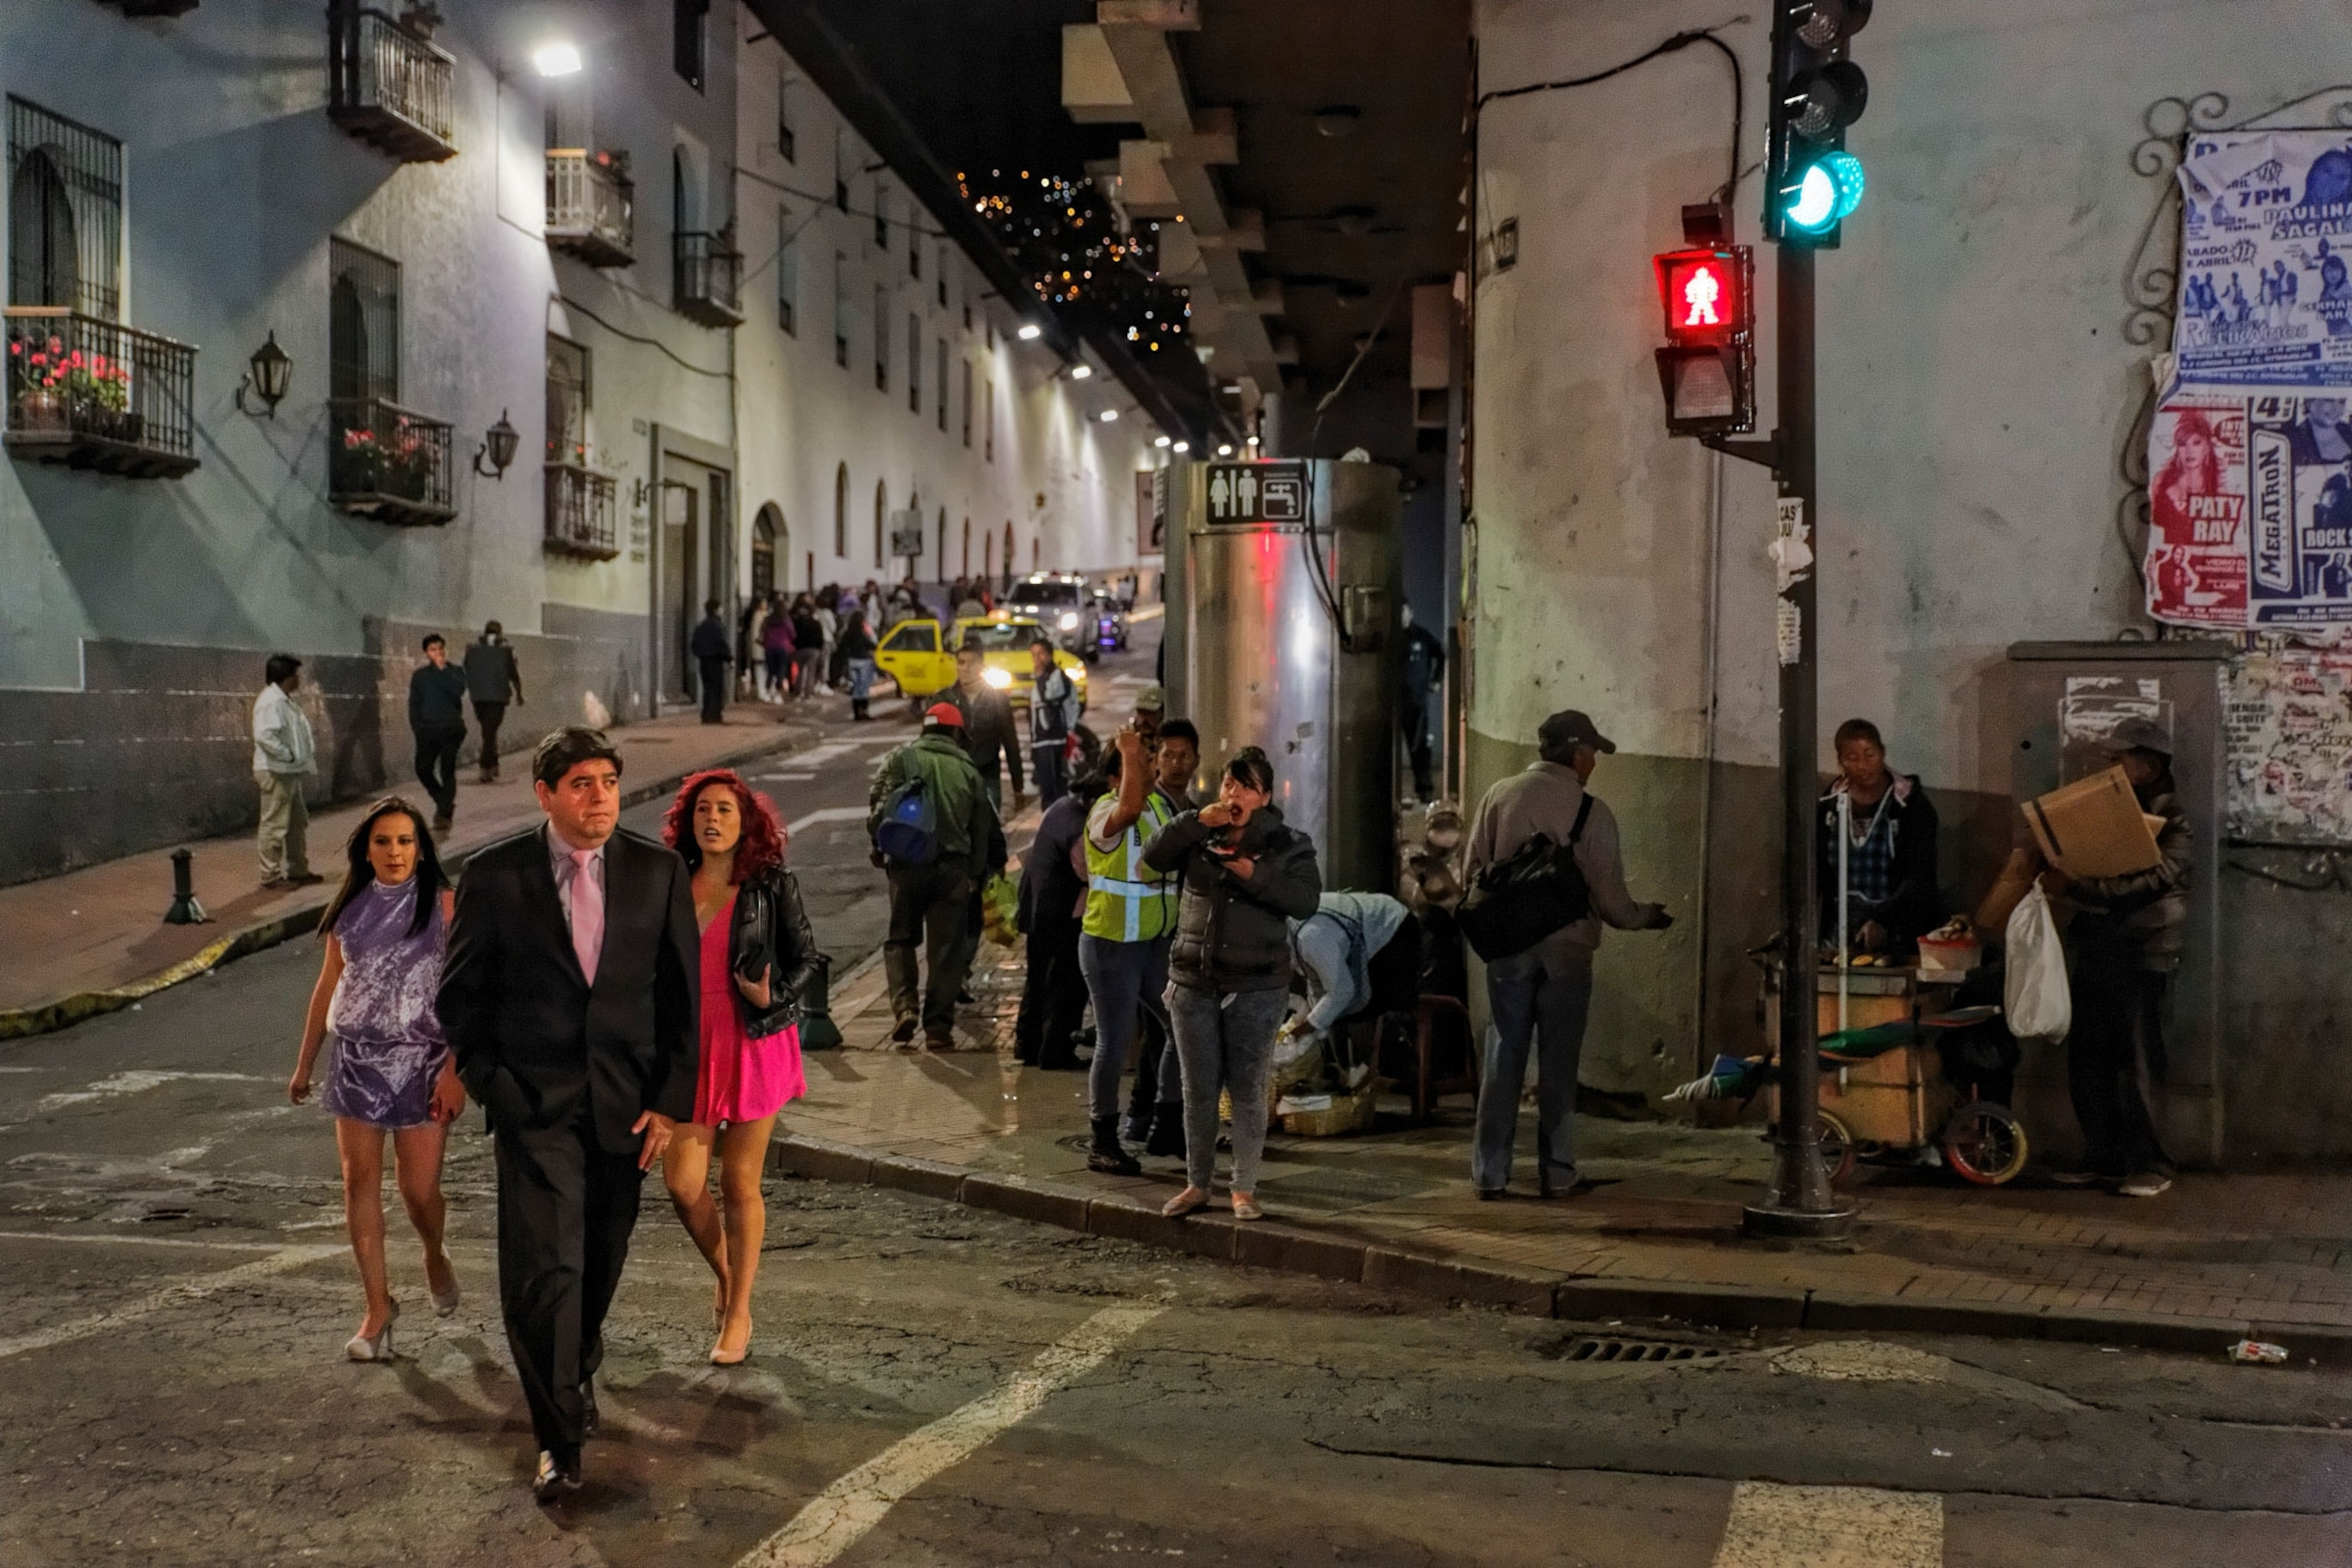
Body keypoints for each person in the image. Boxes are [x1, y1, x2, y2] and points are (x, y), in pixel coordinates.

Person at [437, 727, 701, 1501]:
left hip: (626, 1107)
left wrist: (668, 1103)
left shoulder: (657, 872)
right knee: (548, 1268)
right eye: (581, 783)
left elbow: (681, 999)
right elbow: (459, 998)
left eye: (608, 782)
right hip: (534, 1107)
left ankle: (576, 1363)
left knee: (600, 1258)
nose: (599, 798)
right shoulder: (496, 876)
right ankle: (558, 1441)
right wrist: (495, 1086)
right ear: (545, 794)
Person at [1462, 710, 1671, 1200]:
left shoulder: (1498, 795)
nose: (1593, 763)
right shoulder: (1592, 812)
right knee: (1559, 1064)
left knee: (1503, 1057)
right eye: (1592, 753)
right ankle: (1557, 1174)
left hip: (1508, 950)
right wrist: (1647, 916)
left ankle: (1490, 1174)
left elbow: (1472, 873)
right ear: (1577, 754)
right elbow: (1613, 904)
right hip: (1568, 954)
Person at [288, 797, 466, 1363]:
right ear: (366, 850)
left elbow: (467, 991)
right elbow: (328, 985)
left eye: (405, 841)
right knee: (357, 1182)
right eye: (383, 842)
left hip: (423, 1061)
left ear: (422, 849)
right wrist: (306, 1062)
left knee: (418, 1192)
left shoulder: (444, 905)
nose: (395, 852)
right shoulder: (351, 908)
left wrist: (455, 1070)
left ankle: (434, 1253)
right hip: (356, 1060)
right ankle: (377, 1308)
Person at [658, 769, 818, 1364]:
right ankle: (727, 1272)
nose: (713, 819)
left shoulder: (769, 885)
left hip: (753, 1041)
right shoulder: (671, 882)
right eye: (703, 809)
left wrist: (773, 997)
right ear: (688, 820)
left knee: (738, 1182)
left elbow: (806, 958)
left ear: (745, 820)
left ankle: (740, 1311)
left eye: (724, 809)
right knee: (683, 1185)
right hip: (688, 1047)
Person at [1143, 746, 1322, 1218]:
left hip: (1257, 986)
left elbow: (1305, 901)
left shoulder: (1288, 844)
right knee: (1198, 1089)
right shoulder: (1199, 833)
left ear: (1264, 796)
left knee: (1247, 1090)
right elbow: (1153, 856)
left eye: (1245, 787)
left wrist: (1254, 876)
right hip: (1193, 980)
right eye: (1228, 784)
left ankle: (1243, 1189)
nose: (1233, 794)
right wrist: (1193, 822)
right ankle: (1198, 1185)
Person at [2040, 717, 2188, 1199]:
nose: (2111, 768)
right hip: (2098, 945)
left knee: (2140, 1059)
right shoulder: (2106, 812)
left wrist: (2076, 886)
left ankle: (2152, 1162)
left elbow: (2146, 884)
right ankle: (2103, 1155)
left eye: (2120, 759)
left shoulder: (2175, 822)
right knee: (2089, 1055)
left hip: (2146, 951)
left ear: (2149, 767)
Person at [1077, 726, 1184, 1173]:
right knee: (1114, 1040)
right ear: (1114, 779)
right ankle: (1103, 1140)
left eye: (1148, 762)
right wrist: (1126, 750)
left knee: (1183, 1028)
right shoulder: (1107, 811)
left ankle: (1168, 1125)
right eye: (1139, 766)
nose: (1149, 770)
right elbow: (1129, 807)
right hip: (1111, 945)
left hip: (1152, 943)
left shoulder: (1159, 806)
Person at [868, 704, 1005, 1048]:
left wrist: (879, 846)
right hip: (953, 871)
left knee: (901, 940)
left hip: (907, 866)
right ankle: (938, 1030)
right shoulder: (968, 771)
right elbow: (981, 828)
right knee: (946, 952)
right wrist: (975, 874)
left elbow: (878, 808)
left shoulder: (901, 759)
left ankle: (905, 1007)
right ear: (956, 733)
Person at [1121, 717, 1204, 1151]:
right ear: (1155, 760)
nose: (1176, 763)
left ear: (1196, 761)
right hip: (1149, 934)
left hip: (1173, 932)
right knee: (1166, 1031)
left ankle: (1146, 1118)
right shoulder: (1150, 807)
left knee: (1163, 1031)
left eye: (1184, 756)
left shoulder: (1192, 809)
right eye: (1168, 755)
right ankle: (1153, 1121)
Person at [1818, 718, 1942, 954]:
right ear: (1840, 761)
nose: (1862, 765)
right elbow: (1817, 872)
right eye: (1852, 758)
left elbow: (1920, 876)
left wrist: (1884, 921)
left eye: (1870, 755)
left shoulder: (1910, 805)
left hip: (1899, 936)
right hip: (1839, 936)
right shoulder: (1829, 806)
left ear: (1883, 753)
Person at [1014, 767, 1099, 1071]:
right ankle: (1056, 1051)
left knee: (1038, 981)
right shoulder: (1080, 831)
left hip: (1037, 908)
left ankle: (1027, 1045)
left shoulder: (1060, 807)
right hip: (1063, 915)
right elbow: (1091, 874)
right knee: (1066, 986)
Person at [253, 655, 322, 888]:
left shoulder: (284, 701)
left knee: (295, 822)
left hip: (287, 771)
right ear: (285, 676)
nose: (299, 679)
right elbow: (265, 736)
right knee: (274, 824)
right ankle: (270, 876)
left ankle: (298, 870)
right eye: (295, 674)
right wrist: (288, 755)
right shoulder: (271, 702)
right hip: (276, 772)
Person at [946, 639, 1026, 815]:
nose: (965, 668)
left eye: (971, 663)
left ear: (981, 667)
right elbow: (932, 742)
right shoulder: (947, 699)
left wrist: (1018, 786)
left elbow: (1010, 743)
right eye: (961, 662)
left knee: (989, 823)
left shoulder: (997, 699)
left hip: (988, 774)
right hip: (956, 777)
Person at [406, 635, 469, 836]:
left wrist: (444, 670)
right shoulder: (420, 676)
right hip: (428, 730)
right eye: (433, 649)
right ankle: (444, 802)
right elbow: (414, 703)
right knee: (423, 768)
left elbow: (458, 691)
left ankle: (443, 812)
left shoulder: (455, 671)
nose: (438, 652)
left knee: (447, 769)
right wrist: (417, 728)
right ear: (427, 653)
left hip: (451, 728)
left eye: (440, 648)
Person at [464, 622, 525, 783]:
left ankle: (493, 763)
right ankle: (485, 766)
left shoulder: (472, 650)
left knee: (488, 731)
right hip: (498, 697)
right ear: (500, 634)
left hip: (479, 697)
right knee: (490, 732)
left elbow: (467, 669)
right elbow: (513, 674)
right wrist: (519, 694)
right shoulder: (506, 651)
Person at [1027, 636, 1082, 807]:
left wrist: (1040, 678)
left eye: (1041, 654)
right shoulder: (1043, 677)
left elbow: (1048, 697)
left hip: (1055, 739)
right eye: (1034, 655)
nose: (1037, 659)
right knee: (1046, 787)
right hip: (1041, 740)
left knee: (1055, 788)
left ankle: (1057, 818)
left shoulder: (1056, 677)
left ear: (1050, 655)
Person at [1400, 606, 1446, 803]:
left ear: (1410, 613)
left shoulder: (1421, 636)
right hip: (1392, 704)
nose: (1401, 616)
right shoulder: (1390, 637)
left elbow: (1440, 654)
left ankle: (1424, 791)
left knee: (1420, 749)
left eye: (1404, 612)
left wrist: (1436, 680)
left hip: (1416, 704)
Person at [691, 599, 732, 724]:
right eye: (720, 608)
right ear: (716, 610)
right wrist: (729, 658)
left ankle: (706, 714)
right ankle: (715, 715)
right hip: (716, 660)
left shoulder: (701, 626)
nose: (722, 610)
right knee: (716, 688)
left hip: (704, 660)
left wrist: (700, 654)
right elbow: (722, 644)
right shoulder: (718, 626)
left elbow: (694, 644)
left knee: (707, 687)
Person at [838, 609, 878, 720]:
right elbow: (872, 645)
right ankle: (864, 710)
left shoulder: (848, 633)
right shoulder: (862, 634)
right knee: (864, 688)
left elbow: (842, 646)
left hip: (852, 661)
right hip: (864, 661)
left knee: (856, 688)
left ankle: (856, 713)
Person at [760, 597, 795, 705]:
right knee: (781, 670)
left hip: (769, 648)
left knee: (770, 671)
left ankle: (768, 693)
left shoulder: (768, 620)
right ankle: (778, 694)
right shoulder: (786, 620)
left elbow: (762, 632)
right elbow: (792, 634)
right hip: (783, 648)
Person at [790, 596, 825, 697]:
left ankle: (798, 692)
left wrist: (795, 646)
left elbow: (794, 636)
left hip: (800, 649)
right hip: (814, 649)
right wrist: (820, 648)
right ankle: (808, 693)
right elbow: (820, 637)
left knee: (800, 671)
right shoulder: (815, 623)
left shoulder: (797, 622)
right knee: (811, 672)